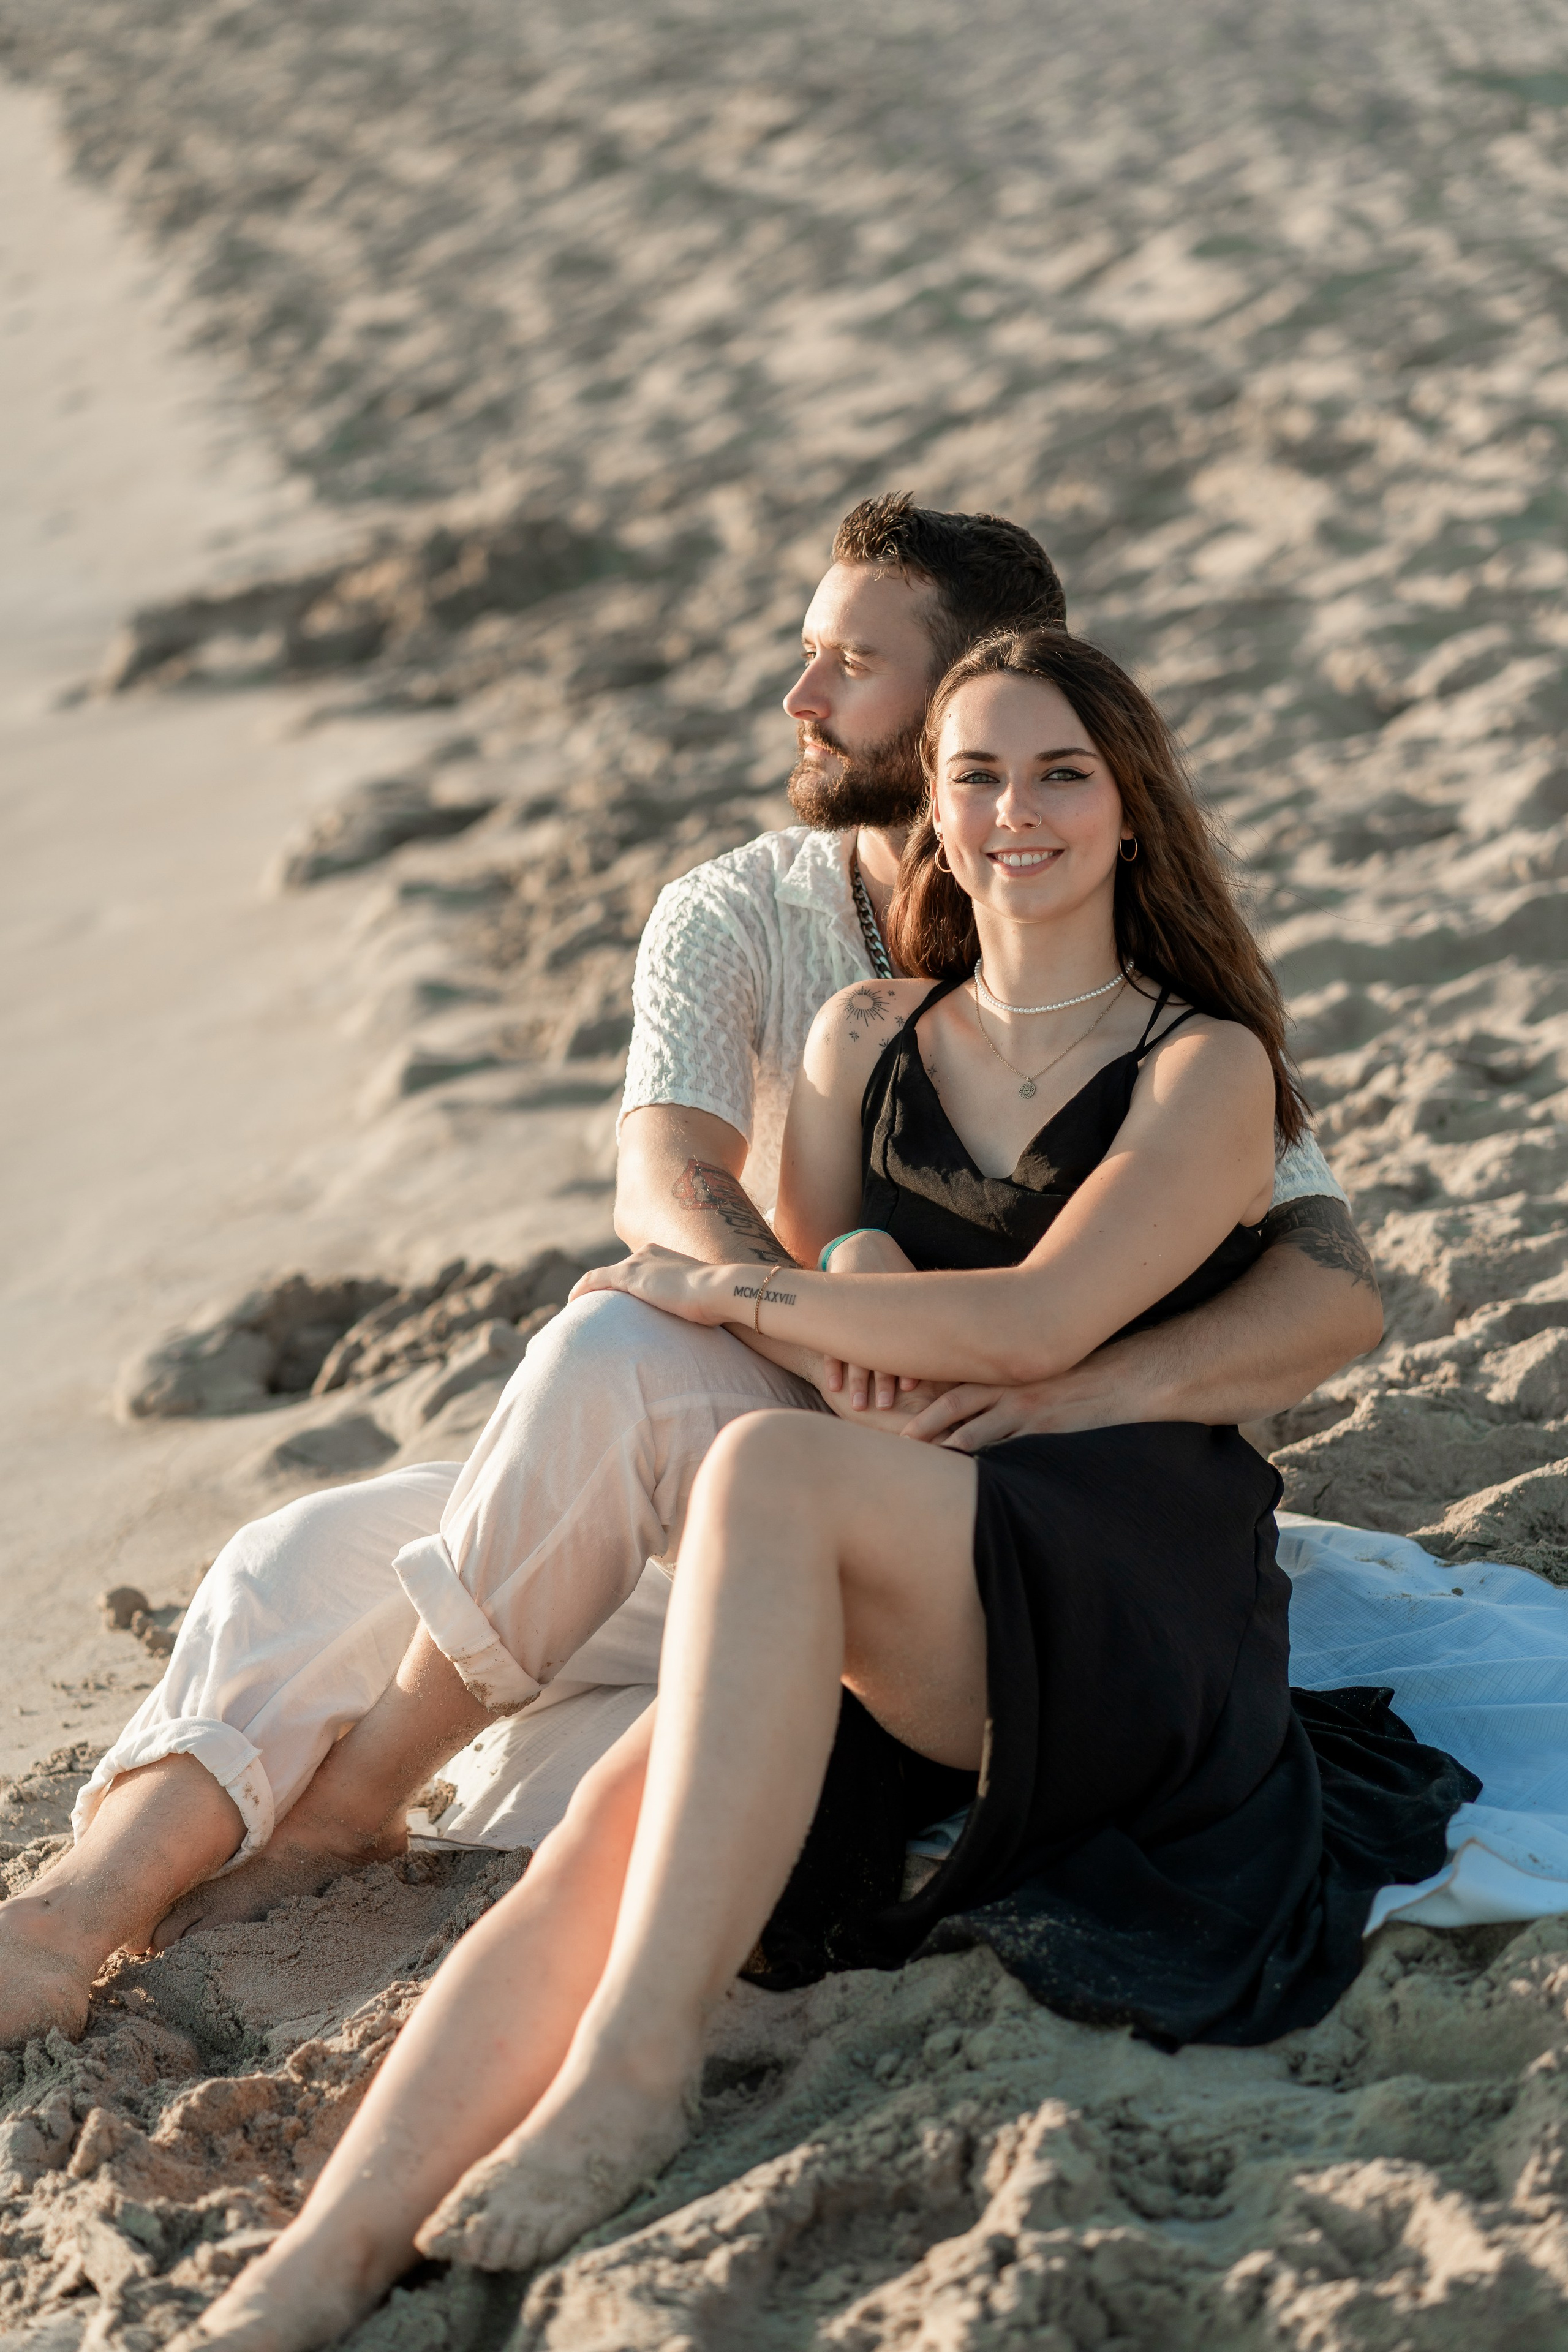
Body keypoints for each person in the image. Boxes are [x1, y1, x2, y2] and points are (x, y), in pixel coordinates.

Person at [172, 627, 1463, 2352]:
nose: (1021, 810)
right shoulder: (864, 1033)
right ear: (930, 816)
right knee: (621, 1828)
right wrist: (817, 1278)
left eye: (1062, 770)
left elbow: (1034, 1319)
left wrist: (711, 1288)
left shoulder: (1202, 1063)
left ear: (1133, 807)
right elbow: (829, 1264)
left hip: (1124, 1573)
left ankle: (636, 2070)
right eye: (978, 775)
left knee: (769, 1473)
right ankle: (312, 2269)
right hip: (905, 1547)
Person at [0, 500, 1378, 2050]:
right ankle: (75, 1915)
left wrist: (1046, 1392)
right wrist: (803, 1322)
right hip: (775, 1418)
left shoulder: (1132, 987)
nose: (801, 702)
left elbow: (1323, 1285)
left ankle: (350, 1805)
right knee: (299, 1557)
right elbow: (670, 1183)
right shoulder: (747, 916)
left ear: (973, 695)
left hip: (964, 1510)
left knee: (615, 1361)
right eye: (807, 658)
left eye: (848, 667)